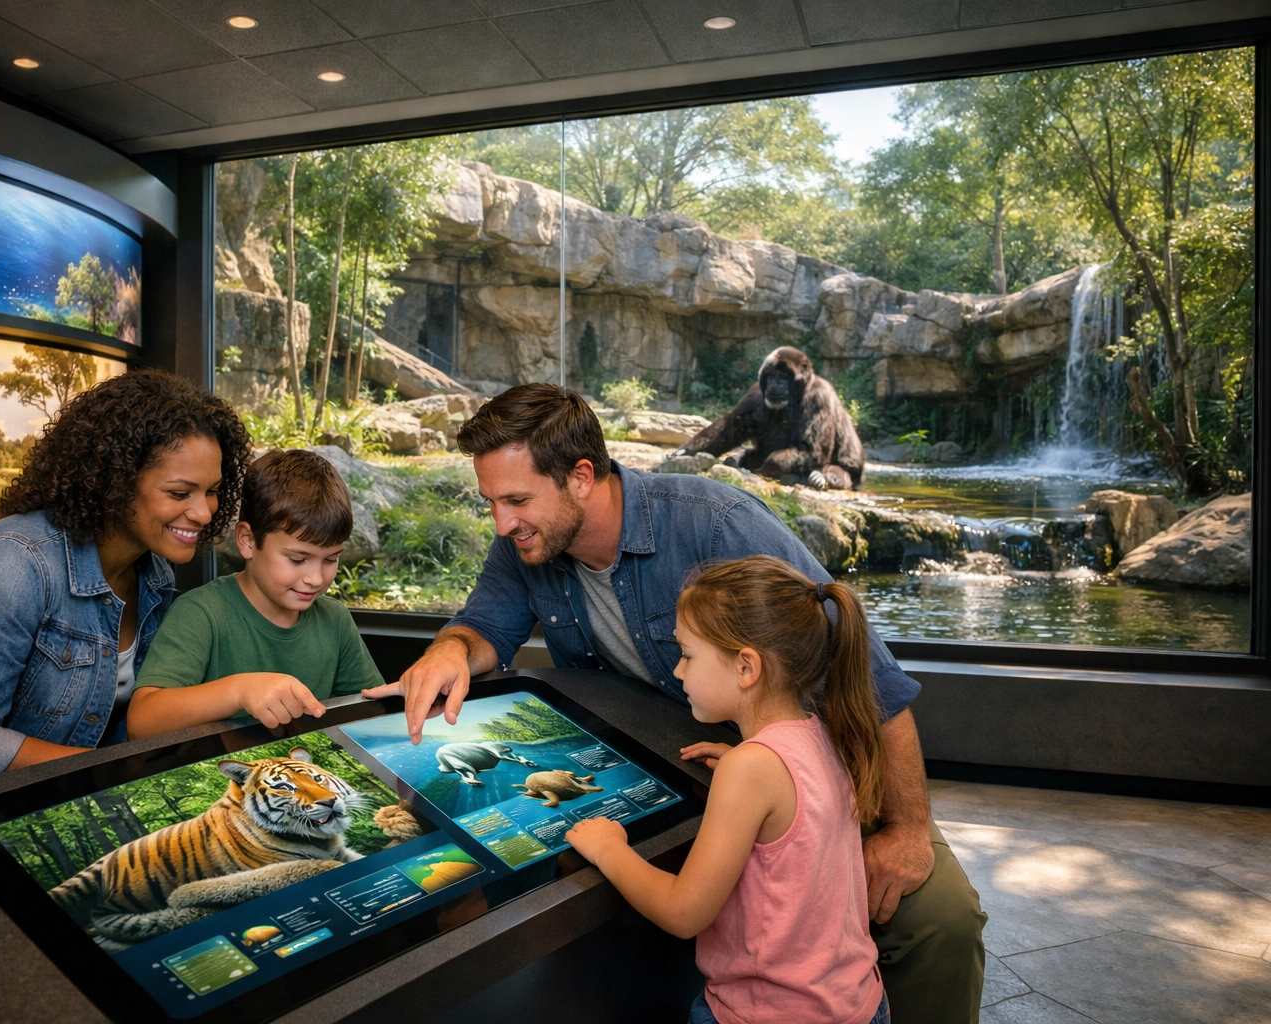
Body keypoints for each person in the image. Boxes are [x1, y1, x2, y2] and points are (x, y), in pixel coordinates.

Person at [363, 383, 986, 1023]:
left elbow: (872, 682)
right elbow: (483, 629)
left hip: (798, 766)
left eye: (517, 500)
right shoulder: (525, 545)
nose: (502, 522)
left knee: (942, 921)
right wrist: (450, 649)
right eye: (490, 501)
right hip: (687, 769)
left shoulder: (717, 525)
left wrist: (906, 828)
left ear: (581, 476)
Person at [0, 369, 250, 819]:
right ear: (112, 479)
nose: (204, 511)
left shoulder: (155, 575)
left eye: (211, 492)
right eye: (180, 492)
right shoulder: (12, 565)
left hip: (22, 803)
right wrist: (109, 776)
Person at [566, 555, 889, 1024]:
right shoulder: (820, 733)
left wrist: (609, 849)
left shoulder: (752, 768)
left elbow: (683, 913)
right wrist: (745, 772)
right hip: (859, 1002)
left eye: (688, 655)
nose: (678, 671)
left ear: (746, 667)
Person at [126, 448, 385, 737]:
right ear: (248, 541)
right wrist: (239, 691)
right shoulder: (200, 613)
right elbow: (141, 722)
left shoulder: (335, 620)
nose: (315, 578)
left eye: (330, 559)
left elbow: (369, 717)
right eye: (297, 559)